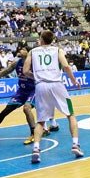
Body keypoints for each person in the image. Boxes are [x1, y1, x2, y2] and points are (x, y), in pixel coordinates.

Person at [24, 29, 83, 164]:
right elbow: (66, 66)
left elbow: (25, 71)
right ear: (52, 40)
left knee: (41, 121)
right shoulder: (58, 51)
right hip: (57, 85)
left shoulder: (32, 52)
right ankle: (75, 145)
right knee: (71, 114)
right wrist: (73, 80)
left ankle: (36, 150)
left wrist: (37, 77)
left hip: (40, 86)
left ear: (41, 39)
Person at [0, 44, 38, 147]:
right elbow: (2, 73)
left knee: (26, 108)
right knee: (4, 112)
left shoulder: (35, 64)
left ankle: (33, 134)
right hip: (21, 91)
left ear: (29, 52)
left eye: (23, 49)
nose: (20, 50)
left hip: (33, 90)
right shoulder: (16, 63)